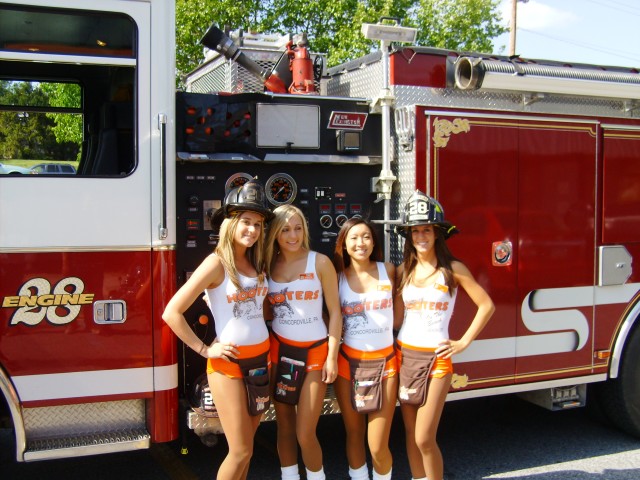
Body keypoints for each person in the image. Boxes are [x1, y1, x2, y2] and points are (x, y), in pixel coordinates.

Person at [162, 179, 273, 480]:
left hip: (261, 363)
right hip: (228, 365)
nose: (252, 230)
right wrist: (204, 349)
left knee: (248, 449)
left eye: (258, 224)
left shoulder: (256, 262)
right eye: (246, 222)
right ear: (230, 223)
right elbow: (171, 312)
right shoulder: (216, 264)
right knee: (239, 451)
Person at [393, 191, 495, 480]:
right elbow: (398, 318)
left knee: (425, 437)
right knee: (411, 435)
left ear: (438, 233)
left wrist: (463, 342)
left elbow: (487, 305)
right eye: (415, 231)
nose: (421, 236)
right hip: (405, 355)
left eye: (427, 229)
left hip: (437, 359)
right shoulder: (403, 271)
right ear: (409, 235)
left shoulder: (453, 269)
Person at [264, 204, 342, 480]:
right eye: (285, 229)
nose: (292, 235)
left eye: (298, 228)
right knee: (284, 426)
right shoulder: (267, 264)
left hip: (315, 353)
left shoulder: (320, 262)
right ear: (274, 233)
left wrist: (332, 355)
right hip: (281, 352)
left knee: (305, 432)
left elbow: (335, 312)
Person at [333, 217, 398, 480]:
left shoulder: (390, 270)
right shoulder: (336, 278)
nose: (361, 243)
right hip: (348, 365)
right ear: (344, 245)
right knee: (354, 434)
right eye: (354, 238)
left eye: (367, 237)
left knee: (378, 444)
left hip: (386, 365)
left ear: (374, 241)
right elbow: (327, 316)